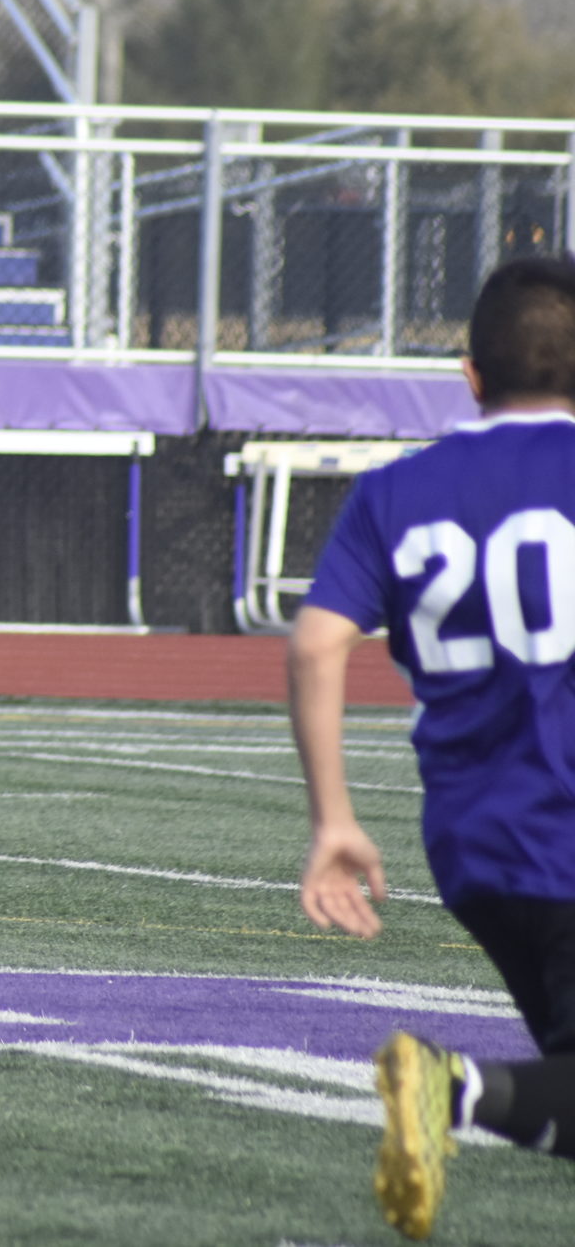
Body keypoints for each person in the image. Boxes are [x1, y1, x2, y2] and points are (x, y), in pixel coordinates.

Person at [291, 254, 575, 1240]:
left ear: (470, 375)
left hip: (474, 850)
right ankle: (450, 1093)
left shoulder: (396, 492)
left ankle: (463, 1095)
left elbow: (318, 641)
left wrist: (332, 818)